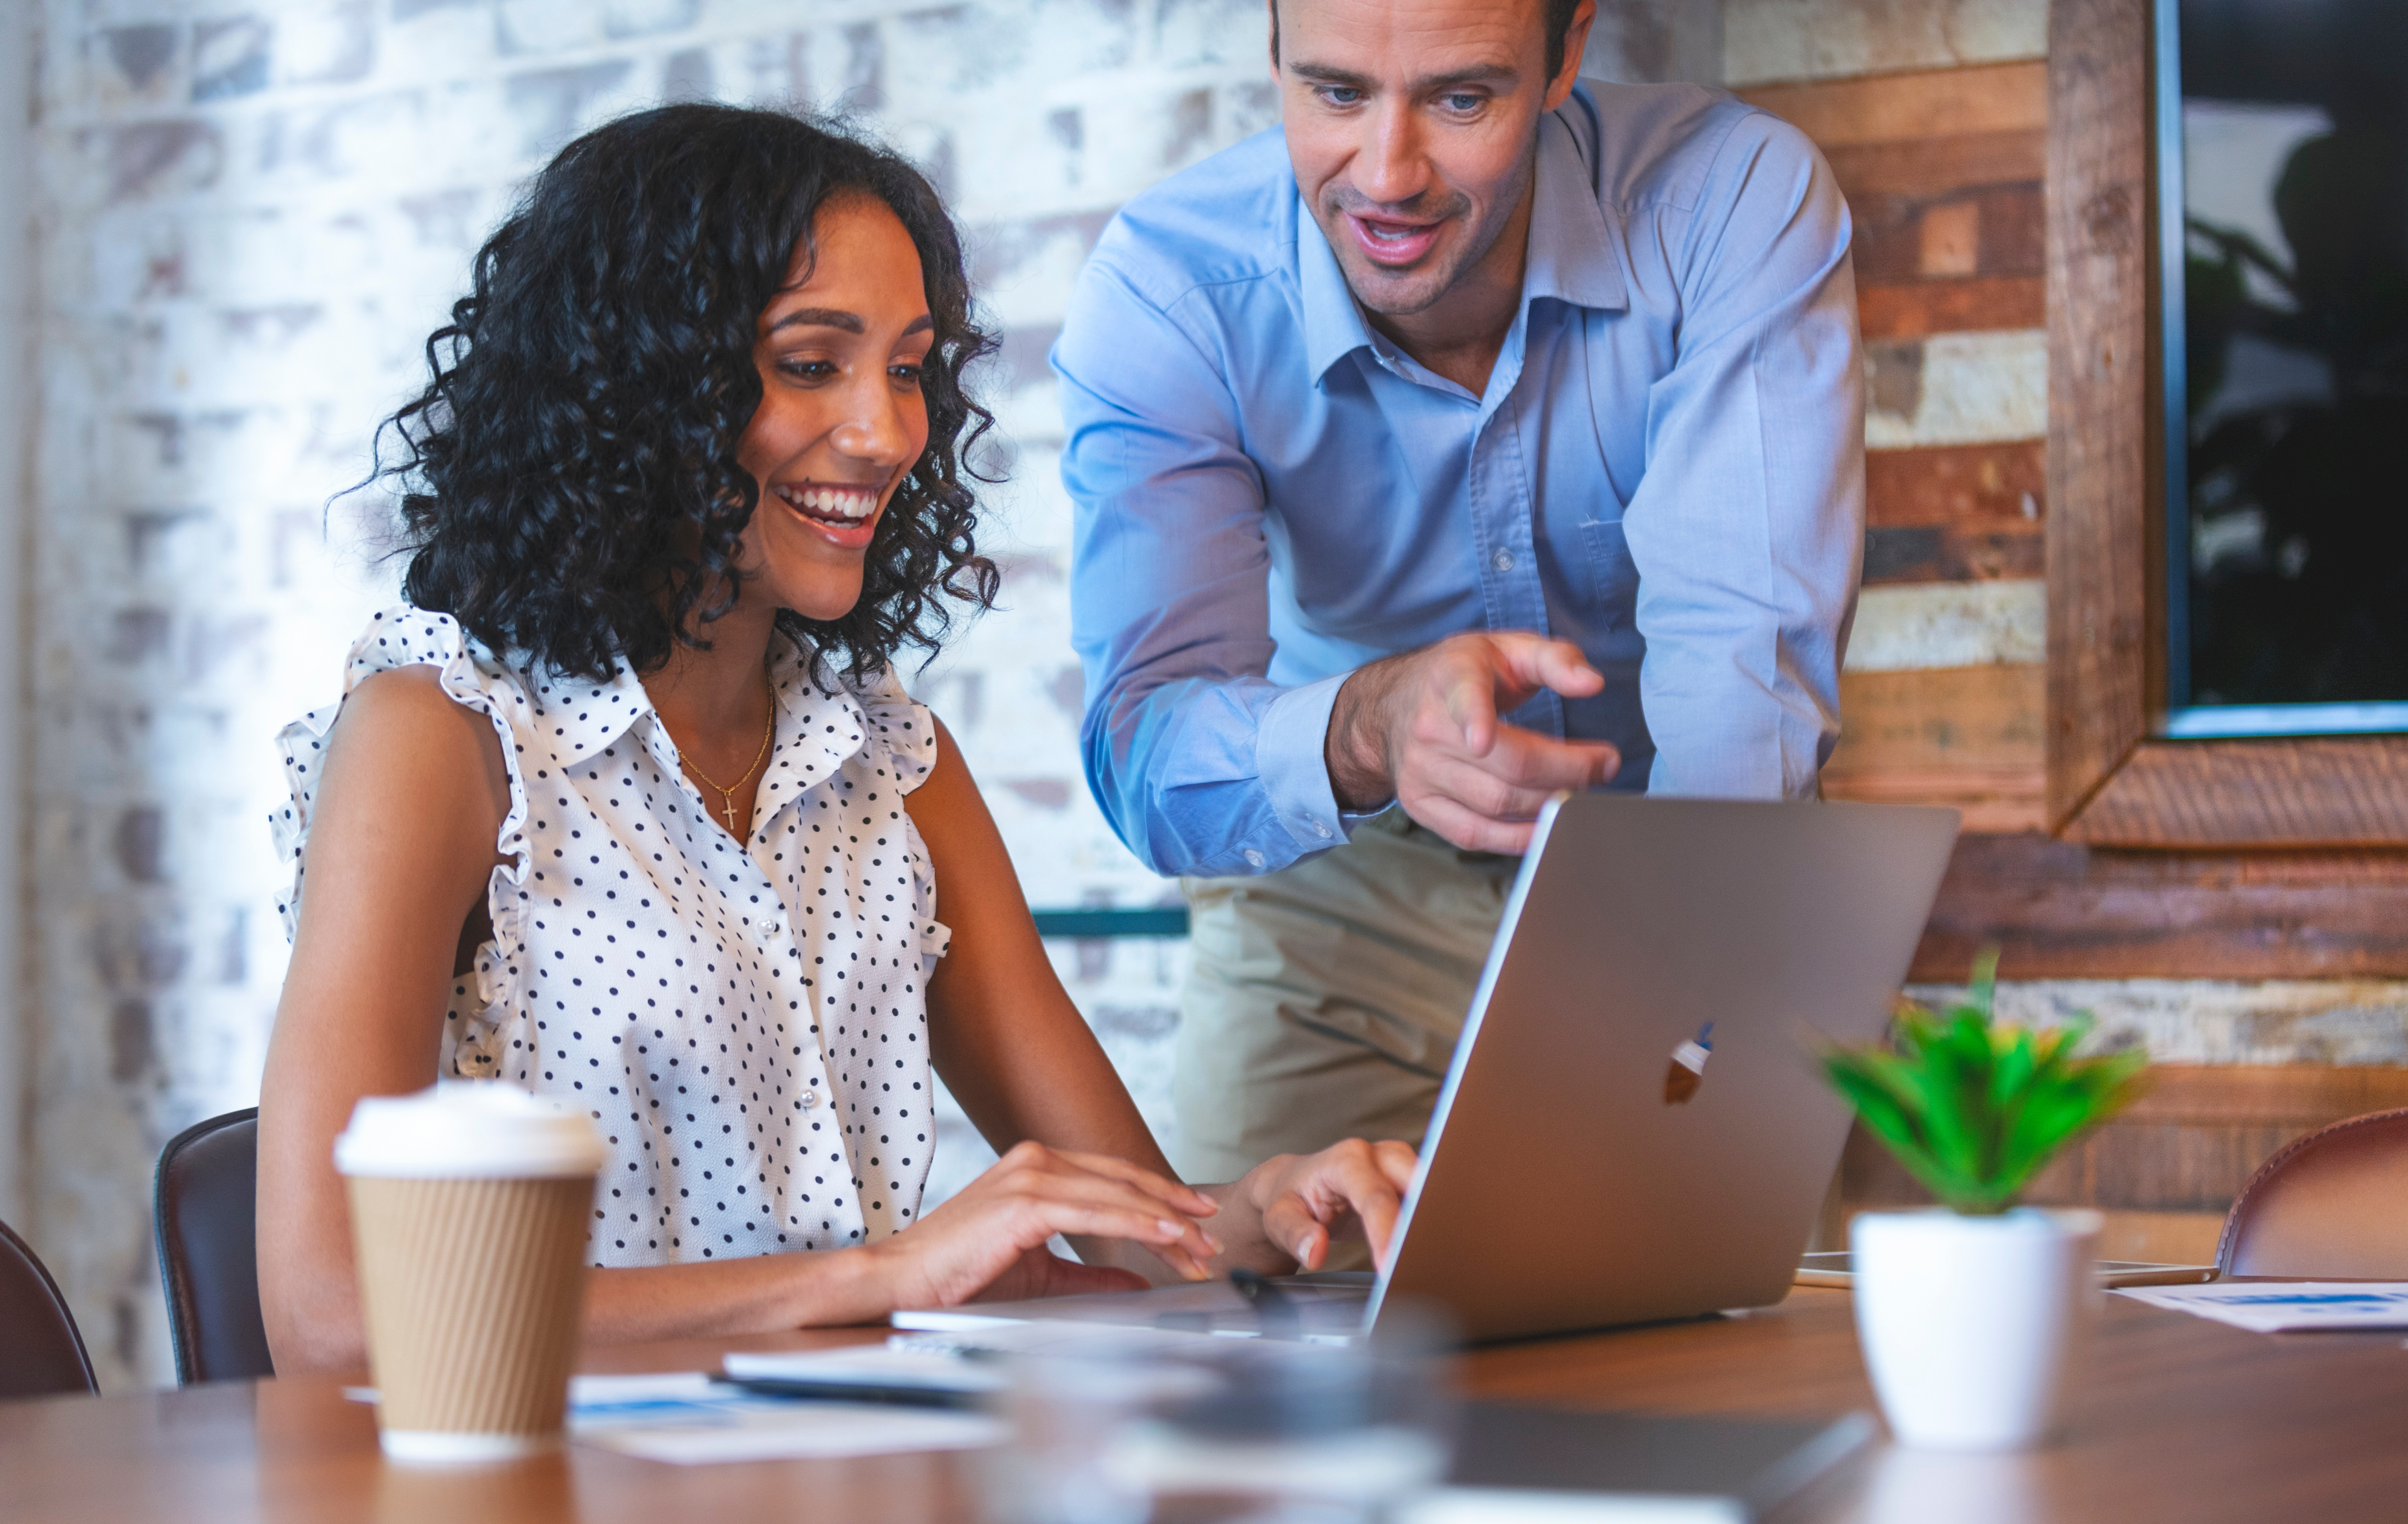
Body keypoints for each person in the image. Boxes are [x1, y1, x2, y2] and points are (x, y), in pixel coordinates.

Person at [257, 106, 1413, 1377]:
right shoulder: (442, 734)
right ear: (640, 385)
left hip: (837, 1498)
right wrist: (880, 1278)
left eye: (908, 368)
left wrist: (1263, 1212)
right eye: (811, 363)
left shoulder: (890, 762)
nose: (884, 432)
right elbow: (332, 1311)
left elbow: (1145, 1232)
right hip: (554, 1521)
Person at [1055, 0, 1864, 1181]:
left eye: (1460, 98)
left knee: (1730, 1334)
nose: (1387, 176)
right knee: (1273, 1335)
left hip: (1680, 854)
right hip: (1338, 898)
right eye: (1334, 93)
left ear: (1566, 53)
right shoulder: (1172, 294)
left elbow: (1743, 688)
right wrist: (1371, 724)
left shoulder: (1728, 202)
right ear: (1272, 51)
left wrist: (1689, 1042)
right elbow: (1149, 756)